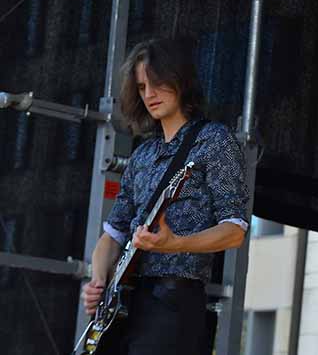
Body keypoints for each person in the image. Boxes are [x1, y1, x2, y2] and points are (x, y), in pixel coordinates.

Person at [80, 38, 249, 354]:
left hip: (176, 302)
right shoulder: (143, 155)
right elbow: (112, 235)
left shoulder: (215, 141)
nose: (149, 95)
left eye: (157, 83)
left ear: (180, 79)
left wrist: (176, 244)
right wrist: (98, 282)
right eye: (142, 87)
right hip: (126, 303)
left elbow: (235, 230)